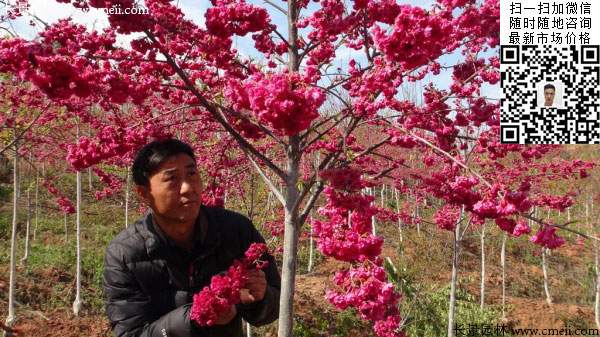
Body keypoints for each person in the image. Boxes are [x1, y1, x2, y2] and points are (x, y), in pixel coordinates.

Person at [103, 139, 280, 337]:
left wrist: (260, 299)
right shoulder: (125, 254)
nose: (188, 187)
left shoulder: (236, 230)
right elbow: (130, 334)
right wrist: (194, 318)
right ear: (144, 193)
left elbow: (274, 308)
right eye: (172, 179)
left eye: (192, 173)